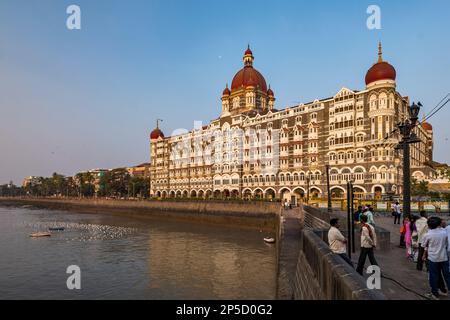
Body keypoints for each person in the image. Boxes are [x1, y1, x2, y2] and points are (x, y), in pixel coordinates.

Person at [422, 216, 450, 300]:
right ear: (439, 224)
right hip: (444, 257)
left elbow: (424, 245)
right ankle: (444, 290)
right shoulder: (444, 233)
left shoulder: (427, 235)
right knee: (447, 276)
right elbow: (446, 244)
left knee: (433, 276)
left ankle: (435, 293)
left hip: (433, 258)